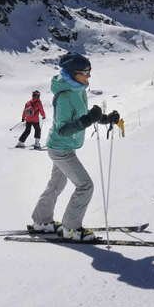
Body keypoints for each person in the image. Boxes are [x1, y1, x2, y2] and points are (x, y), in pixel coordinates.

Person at [30, 52, 120, 241]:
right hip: (61, 149)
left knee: (56, 184)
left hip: (63, 148)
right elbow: (63, 129)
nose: (88, 77)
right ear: (71, 73)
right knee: (85, 186)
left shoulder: (77, 89)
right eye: (84, 73)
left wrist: (104, 119)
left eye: (89, 72)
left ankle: (41, 222)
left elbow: (81, 115)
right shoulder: (64, 96)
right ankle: (71, 228)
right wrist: (89, 120)